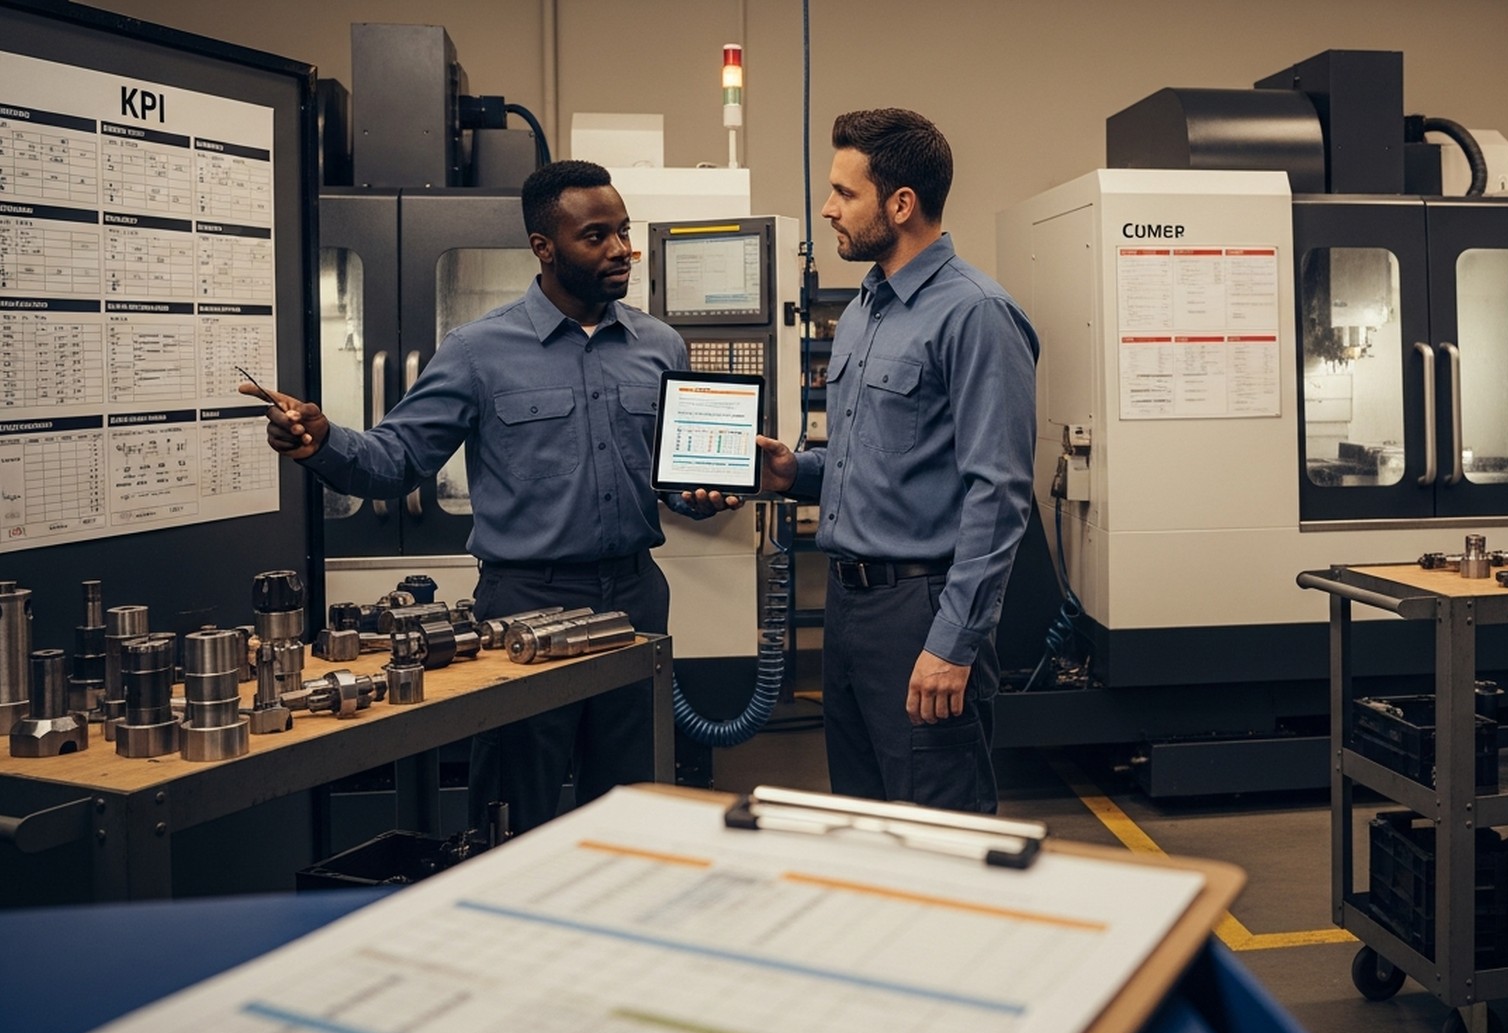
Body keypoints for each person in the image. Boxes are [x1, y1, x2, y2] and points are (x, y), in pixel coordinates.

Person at [248, 159, 740, 832]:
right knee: (515, 808)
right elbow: (396, 461)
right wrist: (323, 441)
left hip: (635, 600)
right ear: (544, 247)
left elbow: (674, 482)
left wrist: (705, 495)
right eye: (596, 236)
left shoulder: (659, 345)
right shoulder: (479, 351)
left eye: (623, 232)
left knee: (633, 806)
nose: (620, 250)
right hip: (524, 606)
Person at [756, 109, 1038, 813]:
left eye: (843, 194)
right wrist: (798, 473)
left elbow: (998, 494)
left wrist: (954, 643)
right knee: (865, 824)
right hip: (851, 614)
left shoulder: (975, 314)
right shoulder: (864, 311)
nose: (827, 210)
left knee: (939, 831)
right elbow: (872, 459)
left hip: (923, 611)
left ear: (901, 204)